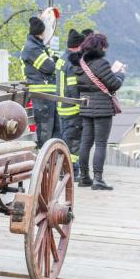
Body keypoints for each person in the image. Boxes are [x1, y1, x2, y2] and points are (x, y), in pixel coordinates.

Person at [71, 33, 125, 190]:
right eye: (104, 46)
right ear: (100, 47)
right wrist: (120, 73)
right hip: (102, 108)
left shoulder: (80, 63)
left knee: (85, 142)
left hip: (86, 106)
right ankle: (98, 179)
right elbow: (114, 84)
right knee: (100, 144)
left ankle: (84, 177)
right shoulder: (101, 63)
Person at [21, 16, 60, 148]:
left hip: (48, 94)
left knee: (55, 130)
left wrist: (52, 59)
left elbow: (50, 63)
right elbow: (49, 67)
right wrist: (52, 60)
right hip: (41, 95)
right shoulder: (32, 48)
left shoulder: (38, 47)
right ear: (41, 33)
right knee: (45, 131)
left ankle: (52, 162)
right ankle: (44, 161)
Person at [57, 29, 85, 178]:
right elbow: (73, 87)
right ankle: (71, 172)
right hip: (73, 108)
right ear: (77, 46)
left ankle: (65, 169)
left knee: (66, 138)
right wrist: (81, 102)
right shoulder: (73, 62)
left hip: (62, 107)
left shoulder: (62, 59)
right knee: (73, 142)